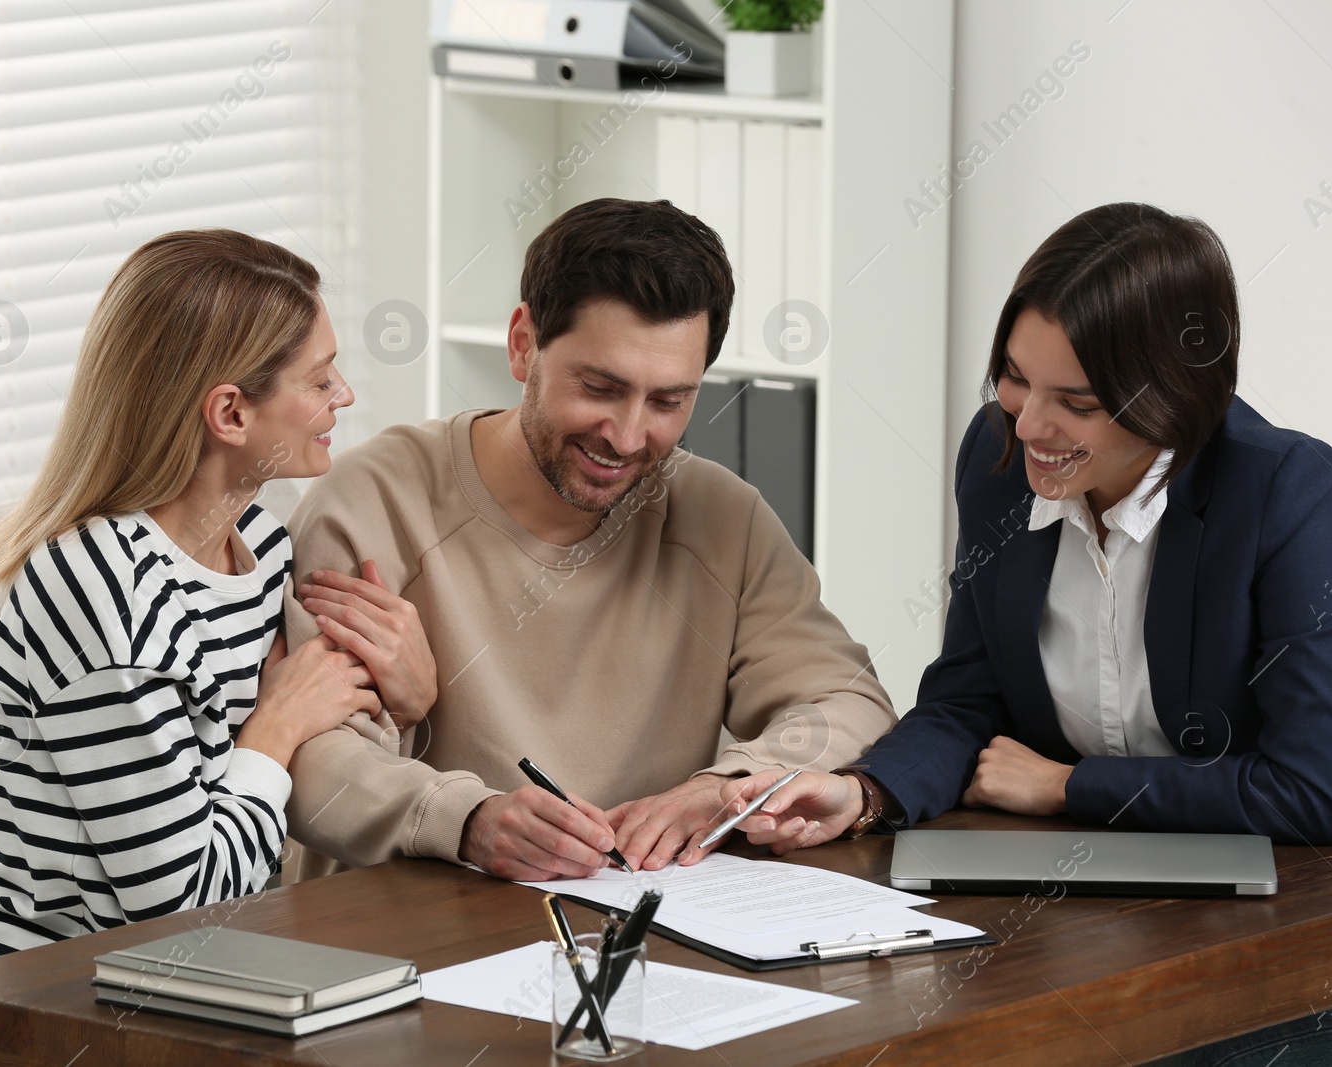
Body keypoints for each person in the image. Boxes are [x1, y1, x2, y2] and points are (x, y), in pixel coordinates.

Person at [712, 202, 1332, 1064]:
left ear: (1176, 399)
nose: (1029, 422)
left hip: (1301, 928)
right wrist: (863, 793)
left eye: (1075, 400)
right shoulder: (999, 460)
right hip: (1080, 918)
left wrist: (1068, 785)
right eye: (1013, 376)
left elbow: (1314, 790)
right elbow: (966, 698)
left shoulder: (1286, 489)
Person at [281, 197, 896, 882]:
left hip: (636, 927)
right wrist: (470, 819)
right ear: (523, 344)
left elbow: (850, 700)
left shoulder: (722, 517)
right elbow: (311, 759)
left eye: (668, 402)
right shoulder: (373, 502)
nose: (628, 437)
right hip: (407, 938)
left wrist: (729, 781)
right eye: (600, 387)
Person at [0, 230, 398, 971]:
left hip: (197, 970)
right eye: (320, 378)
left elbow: (345, 742)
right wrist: (279, 721)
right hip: (41, 992)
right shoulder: (97, 592)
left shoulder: (262, 547)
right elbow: (180, 903)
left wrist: (410, 688)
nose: (346, 395)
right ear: (231, 413)